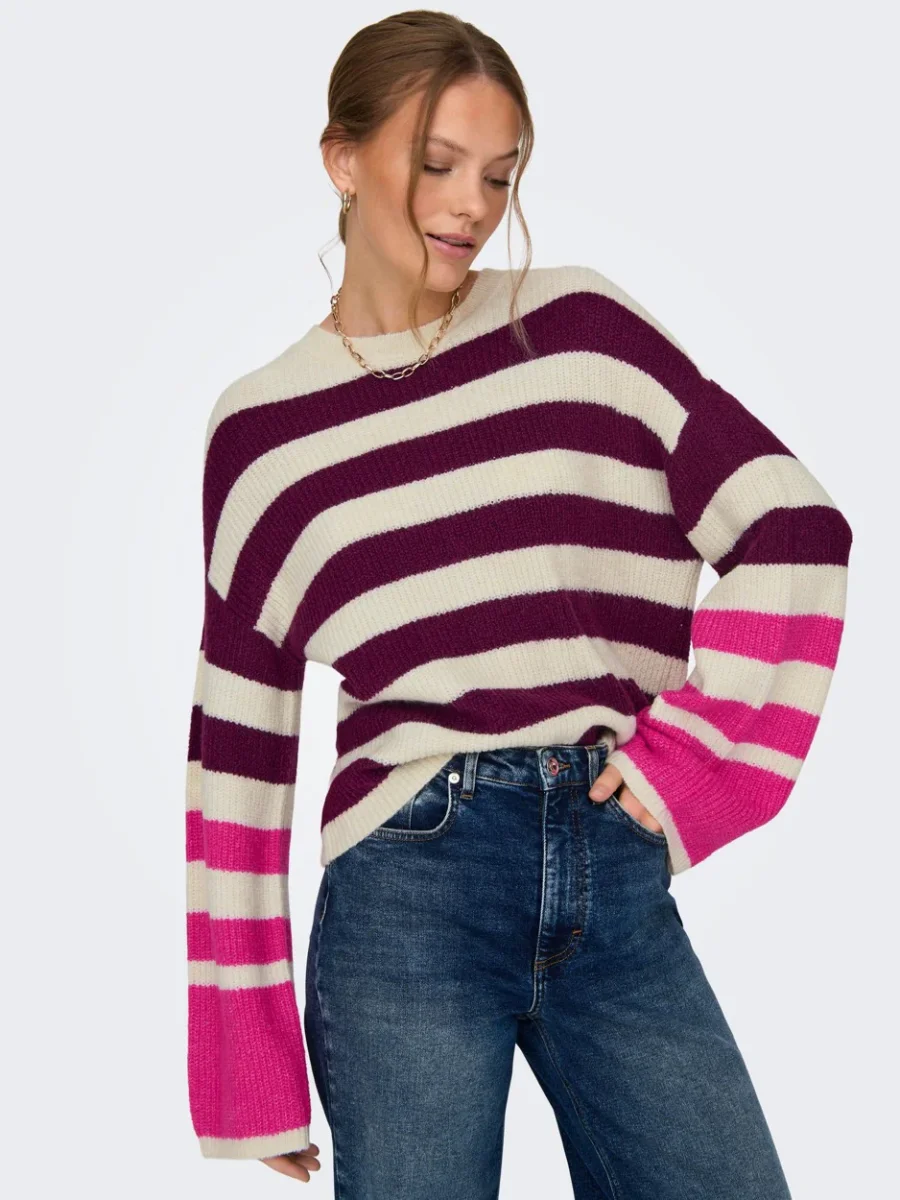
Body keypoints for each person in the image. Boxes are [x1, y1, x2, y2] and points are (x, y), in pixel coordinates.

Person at [184, 10, 852, 1198]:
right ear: (343, 159)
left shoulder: (583, 334)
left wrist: (687, 762)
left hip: (611, 862)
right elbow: (235, 754)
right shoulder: (261, 434)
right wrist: (249, 1064)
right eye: (436, 164)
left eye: (499, 175)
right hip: (406, 889)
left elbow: (793, 527)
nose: (471, 206)